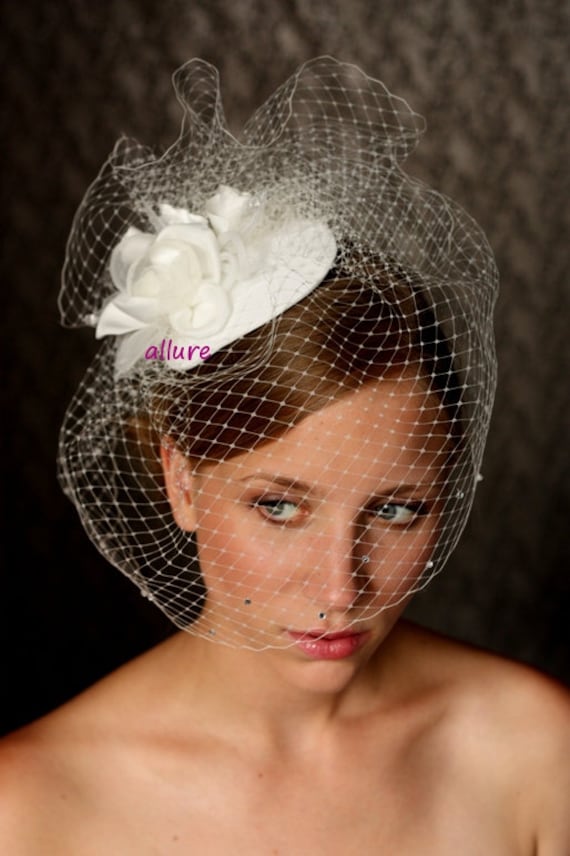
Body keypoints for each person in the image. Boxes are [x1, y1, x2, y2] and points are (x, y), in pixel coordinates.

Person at [1, 58, 568, 854]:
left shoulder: (538, 753)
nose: (340, 589)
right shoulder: (30, 808)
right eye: (279, 506)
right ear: (181, 481)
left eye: (397, 509)